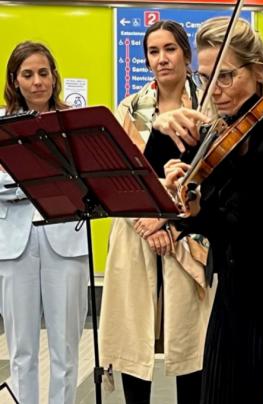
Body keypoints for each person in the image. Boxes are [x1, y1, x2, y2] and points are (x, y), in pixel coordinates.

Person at [158, 16, 263, 403]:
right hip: (232, 296)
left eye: (225, 77)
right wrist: (169, 145)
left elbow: (252, 229)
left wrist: (200, 203)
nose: (215, 92)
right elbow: (203, 217)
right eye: (207, 78)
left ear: (258, 73)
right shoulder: (221, 133)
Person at [98, 20, 213, 404]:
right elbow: (114, 177)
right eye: (153, 51)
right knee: (135, 334)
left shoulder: (206, 107)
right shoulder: (130, 108)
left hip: (190, 234)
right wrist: (147, 225)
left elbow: (211, 176)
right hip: (135, 233)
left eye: (170, 49)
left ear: (186, 53)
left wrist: (169, 223)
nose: (162, 59)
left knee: (191, 341)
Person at [0, 41, 89, 404]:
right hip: (13, 243)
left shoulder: (77, 125)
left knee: (65, 351)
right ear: (14, 80)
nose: (37, 81)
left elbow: (83, 182)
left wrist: (21, 180)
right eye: (28, 74)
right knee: (21, 350)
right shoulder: (2, 124)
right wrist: (37, 183)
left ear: (54, 76)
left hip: (65, 241)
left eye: (43, 73)